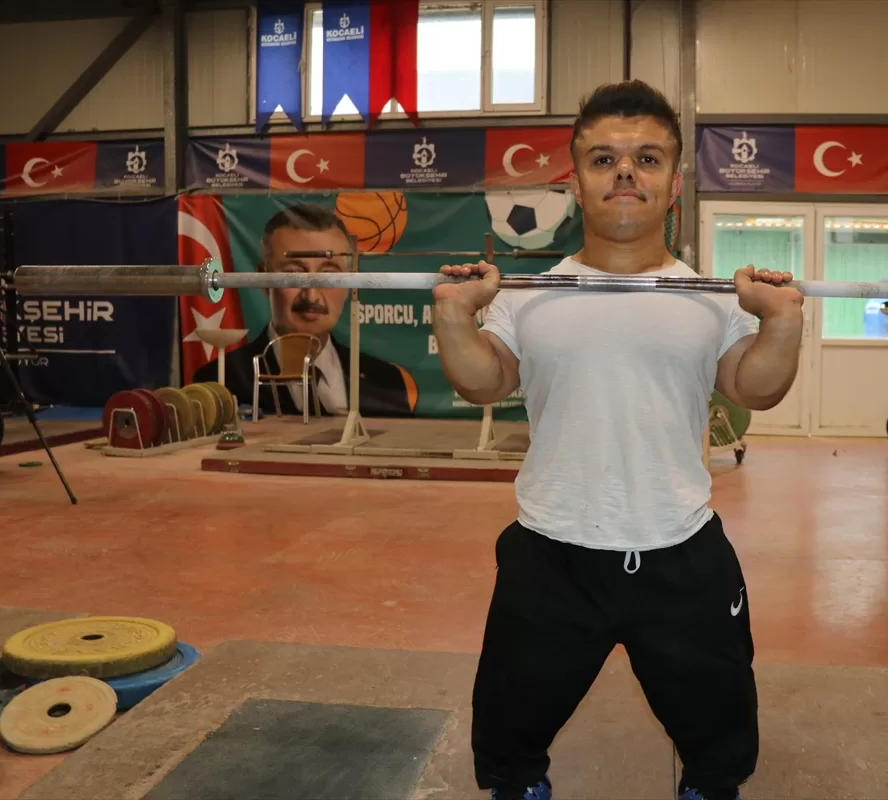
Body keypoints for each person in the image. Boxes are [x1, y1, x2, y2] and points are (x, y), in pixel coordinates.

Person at [431, 80, 804, 800]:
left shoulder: (711, 296)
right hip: (553, 548)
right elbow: (485, 382)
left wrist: (781, 321)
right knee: (510, 721)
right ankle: (520, 785)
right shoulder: (529, 293)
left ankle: (707, 788)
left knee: (720, 722)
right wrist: (453, 316)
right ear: (575, 184)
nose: (625, 173)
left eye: (646, 159)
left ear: (674, 182)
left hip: (679, 544)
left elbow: (754, 388)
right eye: (604, 159)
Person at [193, 204, 418, 418]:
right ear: (262, 278)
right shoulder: (219, 382)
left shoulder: (387, 381)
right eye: (294, 274)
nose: (311, 296)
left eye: (329, 275)